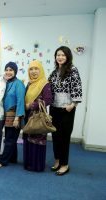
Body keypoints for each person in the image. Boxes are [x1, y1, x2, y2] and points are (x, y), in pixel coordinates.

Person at [48, 46, 82, 176]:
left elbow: (77, 87)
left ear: (67, 56)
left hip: (67, 109)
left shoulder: (73, 70)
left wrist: (73, 104)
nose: (60, 57)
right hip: (54, 108)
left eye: (62, 55)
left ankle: (64, 164)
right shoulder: (54, 71)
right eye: (58, 55)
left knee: (64, 137)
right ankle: (57, 160)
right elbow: (48, 87)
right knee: (55, 136)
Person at [0, 62, 25, 169]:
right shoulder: (7, 82)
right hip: (7, 114)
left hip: (14, 114)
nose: (8, 72)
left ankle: (3, 161)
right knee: (11, 137)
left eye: (11, 70)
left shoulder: (19, 83)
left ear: (15, 71)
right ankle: (12, 158)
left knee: (10, 139)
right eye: (7, 70)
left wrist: (17, 118)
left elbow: (20, 101)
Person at [23, 60, 52, 172]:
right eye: (31, 69)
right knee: (28, 139)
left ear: (41, 70)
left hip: (39, 117)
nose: (33, 72)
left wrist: (32, 105)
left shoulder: (45, 83)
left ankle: (37, 166)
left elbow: (48, 100)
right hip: (28, 116)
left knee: (38, 140)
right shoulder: (29, 84)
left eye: (36, 69)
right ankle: (28, 164)